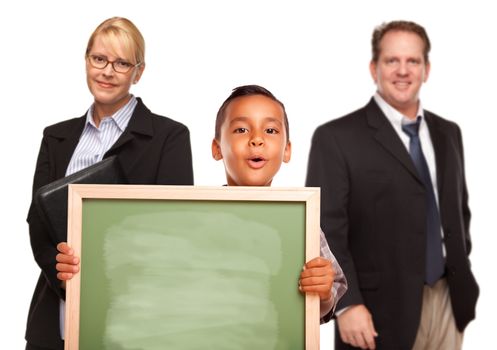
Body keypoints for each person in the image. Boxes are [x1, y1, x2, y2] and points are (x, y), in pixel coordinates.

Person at [306, 20, 479, 350]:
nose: (403, 70)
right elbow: (326, 228)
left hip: (447, 301)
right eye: (392, 61)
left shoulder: (448, 133)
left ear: (426, 69)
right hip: (376, 311)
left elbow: (459, 212)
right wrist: (347, 303)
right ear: (374, 68)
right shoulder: (337, 138)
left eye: (412, 61)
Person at [25, 17, 193, 350]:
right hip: (56, 312)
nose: (107, 71)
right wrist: (61, 273)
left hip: (133, 314)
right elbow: (38, 219)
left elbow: (177, 227)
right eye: (99, 59)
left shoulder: (169, 137)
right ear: (87, 60)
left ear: (138, 72)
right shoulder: (55, 136)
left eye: (121, 63)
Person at [211, 84, 347, 321]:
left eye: (271, 131)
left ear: (287, 150)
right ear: (217, 148)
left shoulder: (302, 220)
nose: (256, 140)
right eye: (241, 129)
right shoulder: (197, 215)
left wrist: (323, 293)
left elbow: (323, 304)